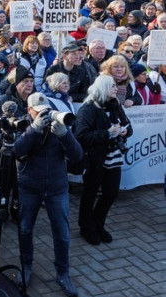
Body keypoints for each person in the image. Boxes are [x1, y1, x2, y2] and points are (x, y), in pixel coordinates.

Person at [14, 93, 83, 297]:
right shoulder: (22, 125)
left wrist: (65, 134)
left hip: (56, 186)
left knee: (62, 233)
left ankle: (63, 273)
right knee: (25, 229)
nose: (44, 114)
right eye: (39, 110)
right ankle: (26, 266)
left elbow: (77, 156)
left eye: (46, 109)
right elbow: (17, 151)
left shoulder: (58, 123)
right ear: (29, 110)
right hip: (29, 186)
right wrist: (33, 130)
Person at [74, 74, 133, 245]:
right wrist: (107, 133)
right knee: (90, 193)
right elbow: (81, 136)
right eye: (112, 86)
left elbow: (128, 126)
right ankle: (86, 227)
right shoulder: (88, 108)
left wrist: (124, 131)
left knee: (111, 192)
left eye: (116, 85)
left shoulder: (115, 105)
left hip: (113, 156)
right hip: (94, 157)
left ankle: (98, 223)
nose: (116, 88)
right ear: (103, 88)